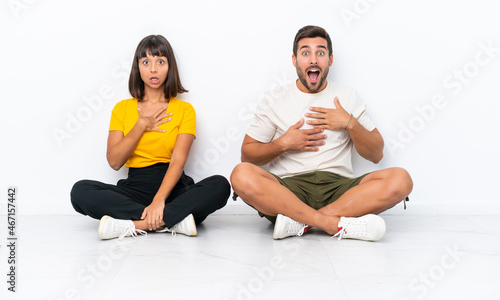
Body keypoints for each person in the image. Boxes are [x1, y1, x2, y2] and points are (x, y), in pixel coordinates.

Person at [230, 25, 413, 241]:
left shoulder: (348, 96)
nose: (313, 59)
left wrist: (349, 123)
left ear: (330, 59)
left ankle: (300, 221)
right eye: (305, 52)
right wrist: (284, 144)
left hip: (341, 190)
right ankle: (333, 224)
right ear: (294, 59)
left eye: (321, 52)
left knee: (401, 179)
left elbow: (376, 154)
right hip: (288, 191)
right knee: (240, 174)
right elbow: (247, 155)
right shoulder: (274, 99)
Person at [71, 35, 230, 240]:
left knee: (220, 185)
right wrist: (140, 126)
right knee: (80, 191)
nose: (153, 69)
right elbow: (114, 161)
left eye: (160, 62)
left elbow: (178, 162)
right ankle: (172, 220)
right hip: (135, 187)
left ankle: (135, 224)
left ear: (169, 67)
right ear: (138, 67)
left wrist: (159, 200)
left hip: (173, 187)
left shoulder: (184, 110)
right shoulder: (122, 109)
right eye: (146, 62)